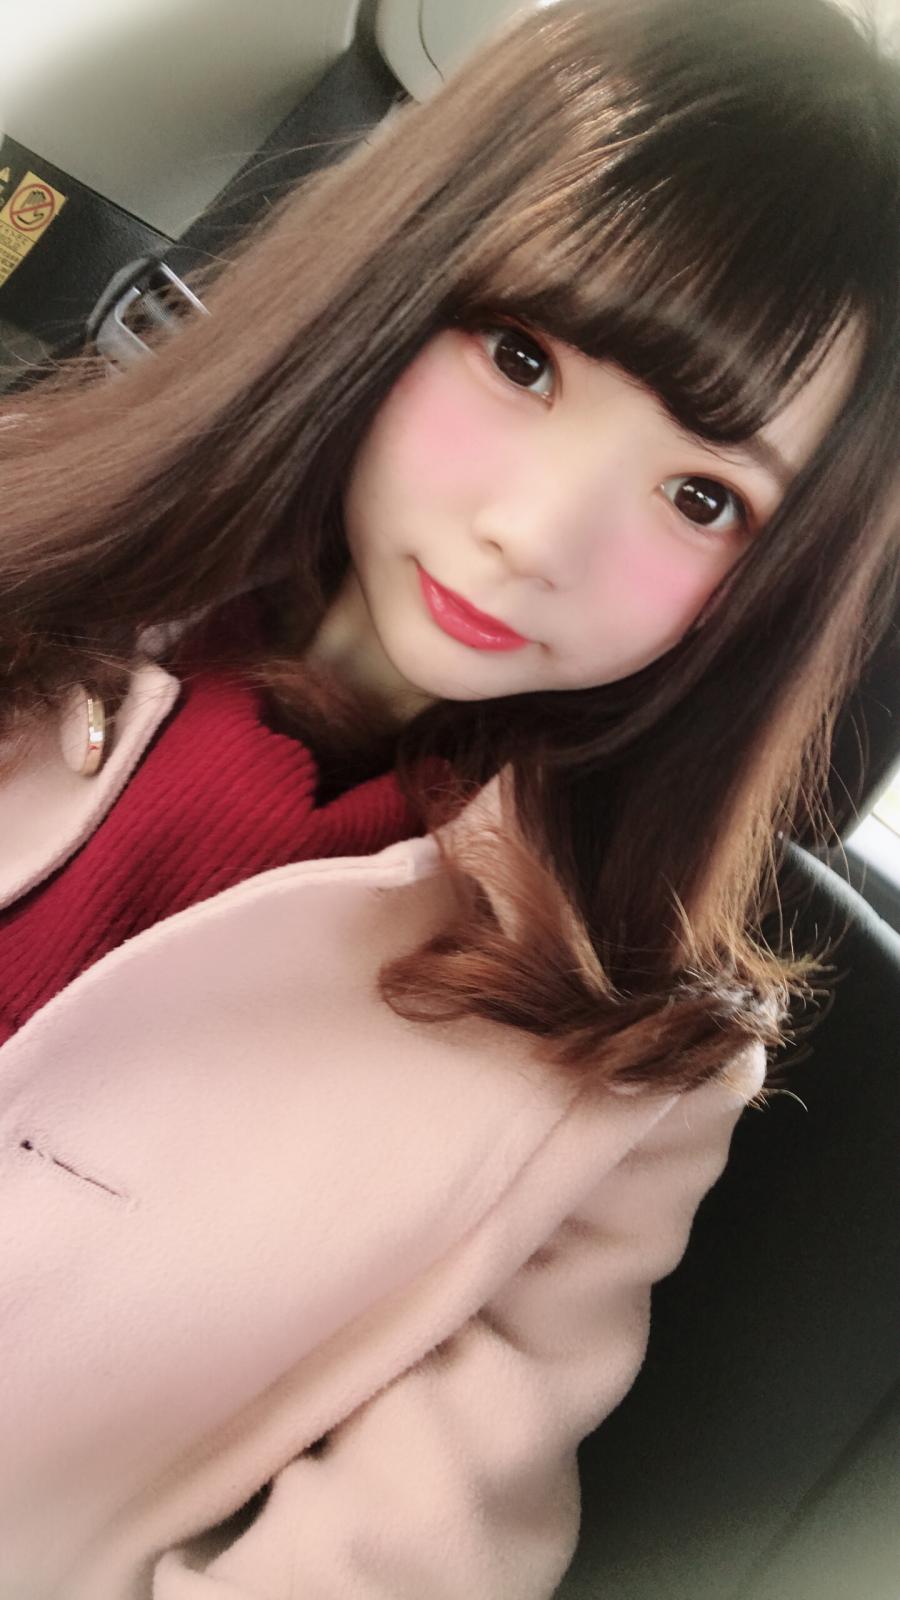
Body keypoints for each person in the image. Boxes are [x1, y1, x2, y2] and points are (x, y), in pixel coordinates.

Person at [0, 0, 897, 1594]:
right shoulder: (29, 554)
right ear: (401, 278)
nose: (532, 533)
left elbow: (401, 1551)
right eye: (522, 358)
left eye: (703, 496)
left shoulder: (627, 1065)